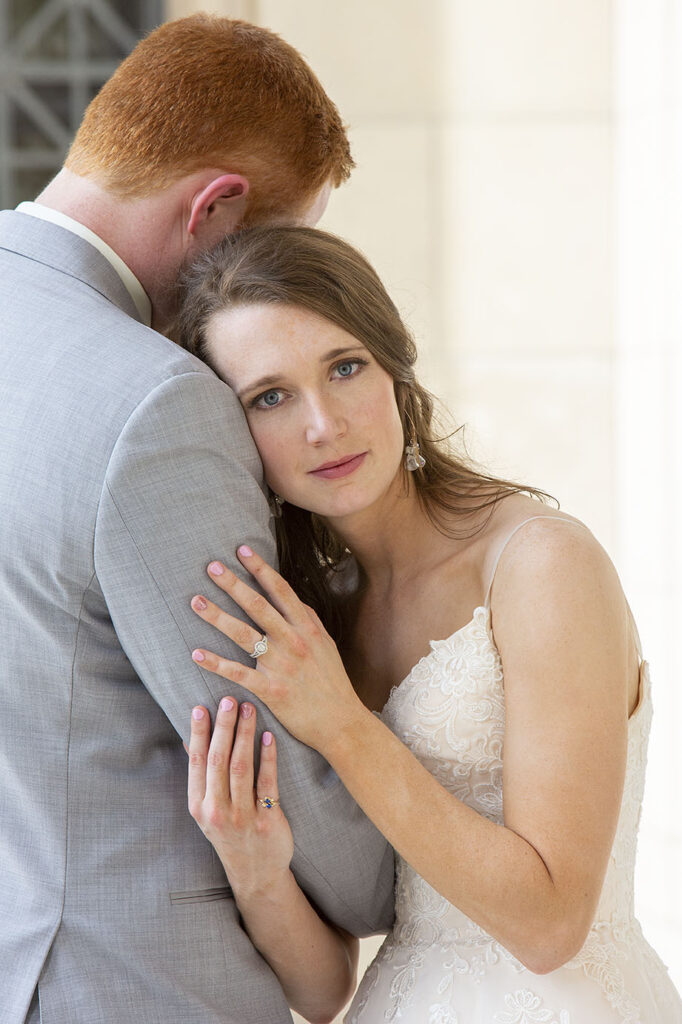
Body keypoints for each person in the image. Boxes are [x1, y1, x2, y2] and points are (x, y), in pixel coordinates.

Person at [175, 225, 682, 1023]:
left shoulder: (540, 564)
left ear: (397, 371)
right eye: (269, 397)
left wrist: (342, 724)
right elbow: (320, 991)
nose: (323, 424)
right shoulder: (320, 614)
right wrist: (255, 866)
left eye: (345, 368)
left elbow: (550, 925)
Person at [0, 17, 394, 1024]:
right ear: (217, 207)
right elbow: (274, 763)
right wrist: (410, 869)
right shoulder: (151, 404)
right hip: (136, 986)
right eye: (274, 239)